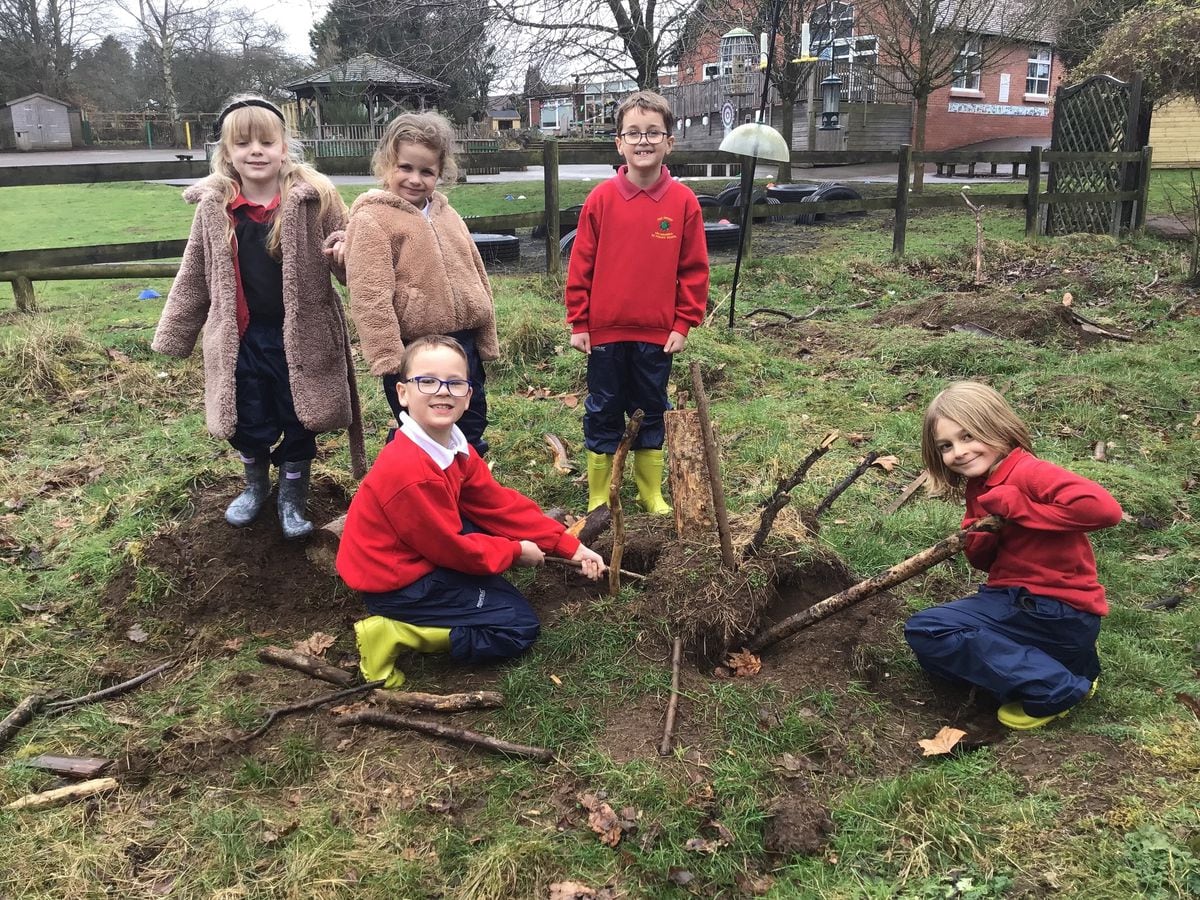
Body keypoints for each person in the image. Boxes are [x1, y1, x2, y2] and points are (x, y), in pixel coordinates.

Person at [336, 335, 607, 689]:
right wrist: (514, 552)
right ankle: (393, 632)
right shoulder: (411, 471)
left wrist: (567, 545)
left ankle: (453, 599)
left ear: (468, 394)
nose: (442, 391)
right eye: (427, 381)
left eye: (455, 383)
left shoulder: (452, 445)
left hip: (420, 556)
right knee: (517, 626)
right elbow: (451, 546)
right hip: (395, 582)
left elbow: (496, 505)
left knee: (495, 575)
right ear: (403, 392)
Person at [152, 94, 365, 540]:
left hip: (302, 338)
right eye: (243, 142)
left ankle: (292, 496)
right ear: (227, 153)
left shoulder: (315, 200)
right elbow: (195, 271)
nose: (256, 150)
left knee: (300, 416)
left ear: (284, 147)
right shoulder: (215, 208)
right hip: (240, 338)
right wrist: (176, 332)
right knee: (242, 418)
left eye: (266, 141)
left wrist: (348, 254)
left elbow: (350, 263)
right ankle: (255, 485)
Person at [904, 381, 1123, 730]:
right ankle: (1068, 668)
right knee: (936, 663)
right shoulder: (980, 484)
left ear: (999, 429)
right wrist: (980, 536)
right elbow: (985, 561)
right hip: (1038, 611)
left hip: (1052, 609)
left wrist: (1020, 507)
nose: (958, 452)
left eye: (968, 436)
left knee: (928, 631)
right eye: (946, 446)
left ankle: (1054, 687)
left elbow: (1104, 510)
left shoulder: (1028, 471)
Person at [565, 90, 710, 514]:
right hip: (605, 332)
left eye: (653, 133)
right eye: (633, 133)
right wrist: (580, 322)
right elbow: (581, 265)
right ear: (619, 142)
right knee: (603, 407)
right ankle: (599, 492)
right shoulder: (601, 200)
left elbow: (694, 269)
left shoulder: (683, 202)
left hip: (657, 334)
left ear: (670, 142)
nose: (643, 141)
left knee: (650, 407)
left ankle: (650, 492)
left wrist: (683, 324)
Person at [344, 112, 497, 456]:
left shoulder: (447, 214)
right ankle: (417, 488)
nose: (415, 179)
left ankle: (466, 490)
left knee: (470, 419)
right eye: (405, 168)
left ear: (440, 173)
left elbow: (475, 271)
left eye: (426, 171)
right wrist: (388, 356)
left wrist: (486, 336)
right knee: (421, 428)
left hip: (462, 344)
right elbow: (369, 294)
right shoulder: (372, 219)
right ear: (386, 164)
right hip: (413, 349)